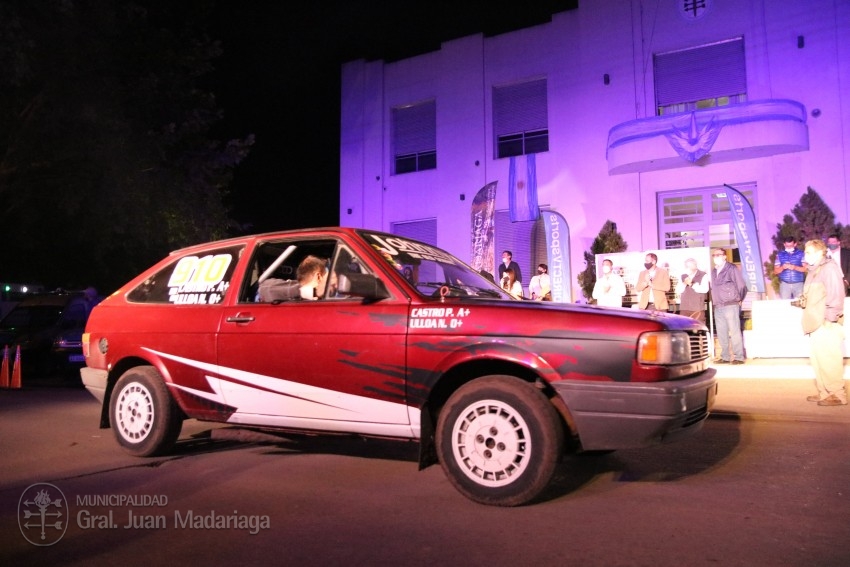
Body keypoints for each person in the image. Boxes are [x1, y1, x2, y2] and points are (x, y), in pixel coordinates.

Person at [801, 239, 848, 406]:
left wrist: (831, 317)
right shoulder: (813, 270)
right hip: (815, 321)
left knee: (829, 359)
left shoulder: (829, 268)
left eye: (810, 252)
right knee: (818, 359)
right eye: (805, 252)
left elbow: (836, 294)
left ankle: (837, 394)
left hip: (826, 321)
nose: (806, 255)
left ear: (821, 252)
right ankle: (824, 393)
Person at [710, 248, 748, 364]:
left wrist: (739, 298)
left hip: (731, 304)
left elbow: (741, 286)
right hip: (718, 305)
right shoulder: (713, 271)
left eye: (718, 255)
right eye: (714, 255)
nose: (716, 257)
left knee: (734, 331)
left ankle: (739, 357)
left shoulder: (731, 268)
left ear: (725, 256)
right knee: (721, 332)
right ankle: (725, 356)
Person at [675, 258, 709, 322]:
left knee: (697, 329)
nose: (689, 268)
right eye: (687, 266)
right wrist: (685, 283)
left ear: (695, 265)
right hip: (684, 308)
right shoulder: (683, 276)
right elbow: (678, 290)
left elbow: (705, 289)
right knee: (685, 329)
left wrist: (692, 284)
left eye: (691, 266)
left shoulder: (703, 275)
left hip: (697, 309)